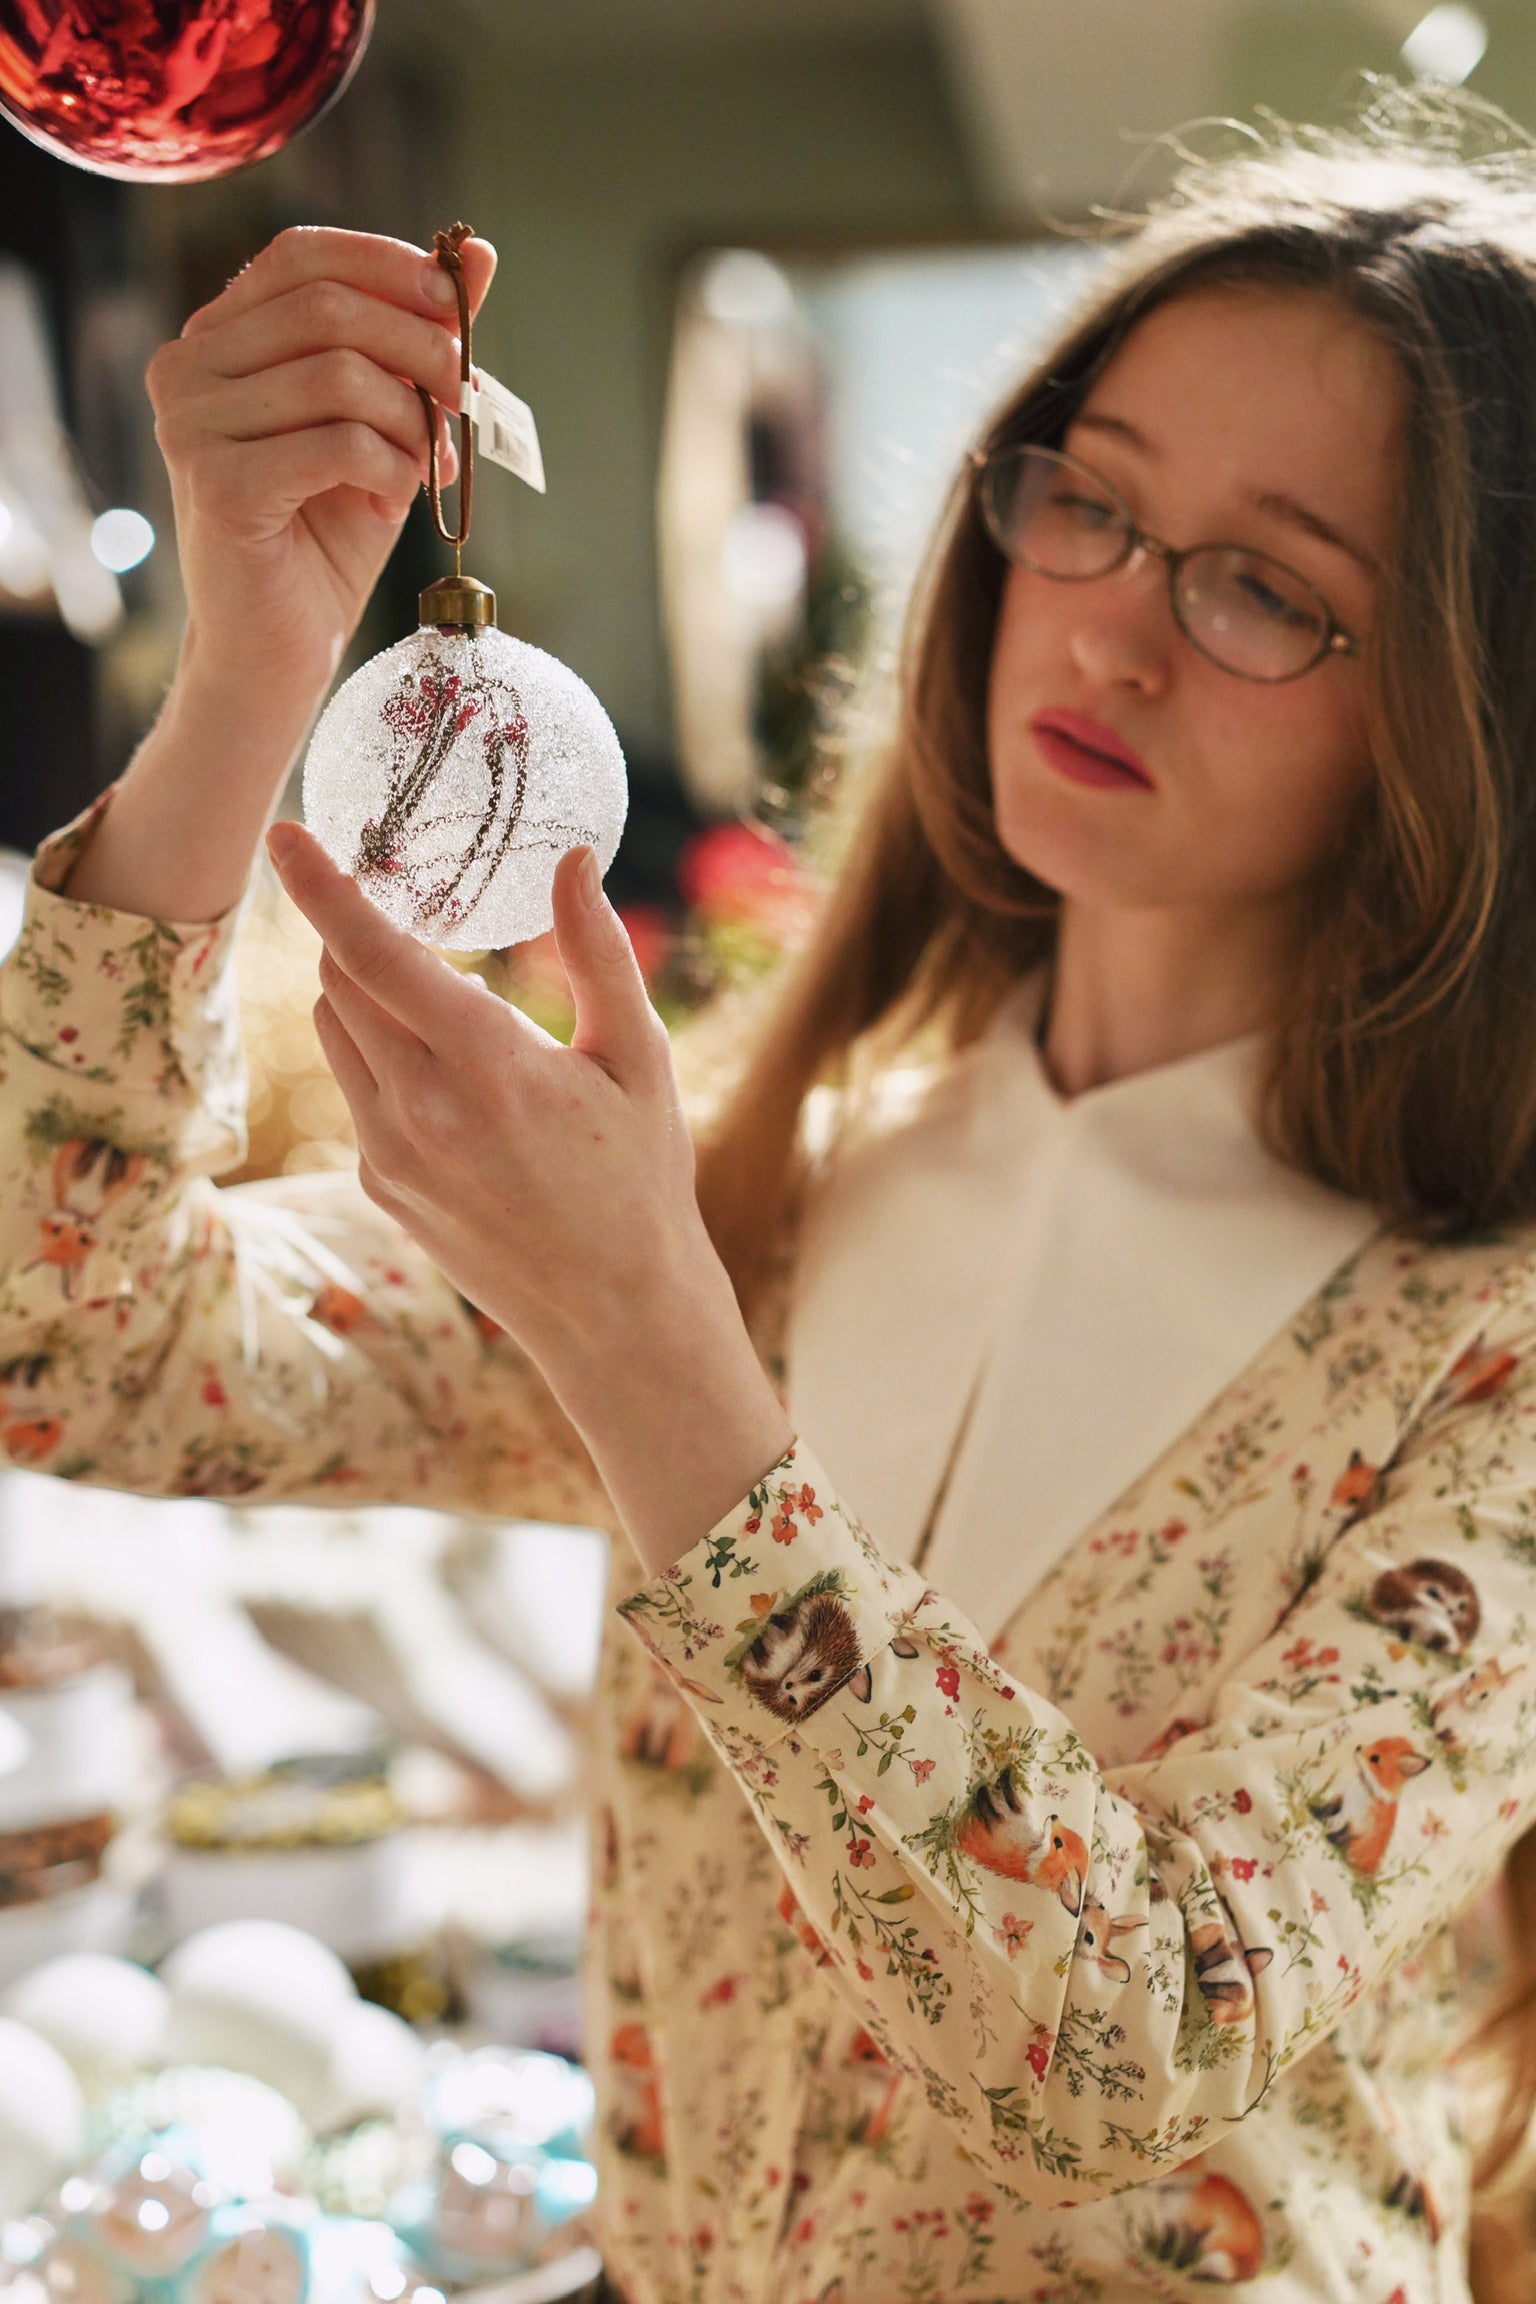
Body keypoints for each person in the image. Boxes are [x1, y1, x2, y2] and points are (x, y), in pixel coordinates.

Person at [6, 85, 1536, 2304]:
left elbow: (1131, 2045)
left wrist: (654, 1352)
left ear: (1473, 714)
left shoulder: (1480, 1356)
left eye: (1268, 591)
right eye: (1091, 503)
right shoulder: (779, 1182)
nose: (1109, 630)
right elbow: (77, 1344)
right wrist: (254, 665)